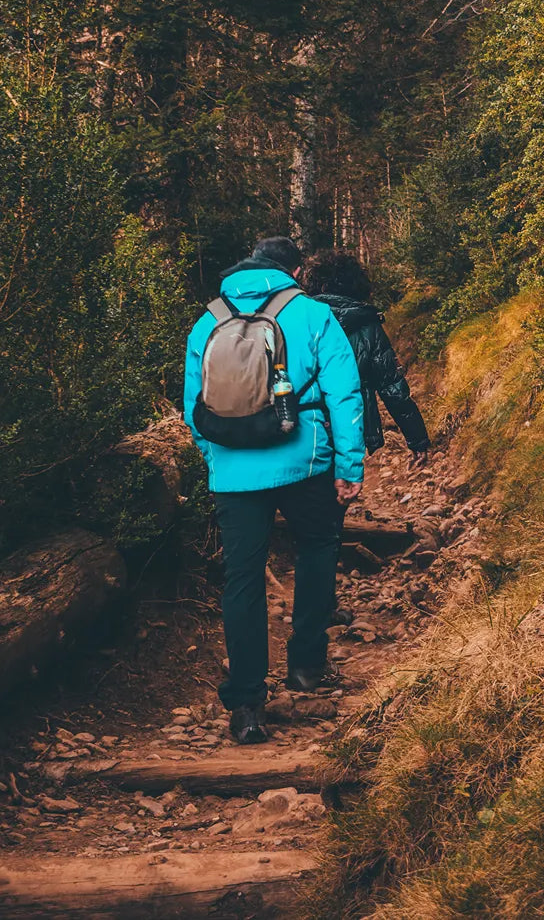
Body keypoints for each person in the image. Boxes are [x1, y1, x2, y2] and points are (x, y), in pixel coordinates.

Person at [184, 236, 364, 745]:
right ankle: (306, 665)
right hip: (303, 463)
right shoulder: (310, 314)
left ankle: (245, 704)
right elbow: (344, 392)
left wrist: (217, 457)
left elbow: (193, 406)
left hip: (232, 472)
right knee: (318, 548)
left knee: (241, 580)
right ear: (294, 271)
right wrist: (349, 466)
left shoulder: (208, 319)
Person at [302, 251, 430, 463]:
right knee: (343, 486)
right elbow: (392, 387)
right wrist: (417, 439)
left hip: (307, 426)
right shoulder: (368, 326)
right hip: (351, 427)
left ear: (317, 285)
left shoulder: (299, 321)